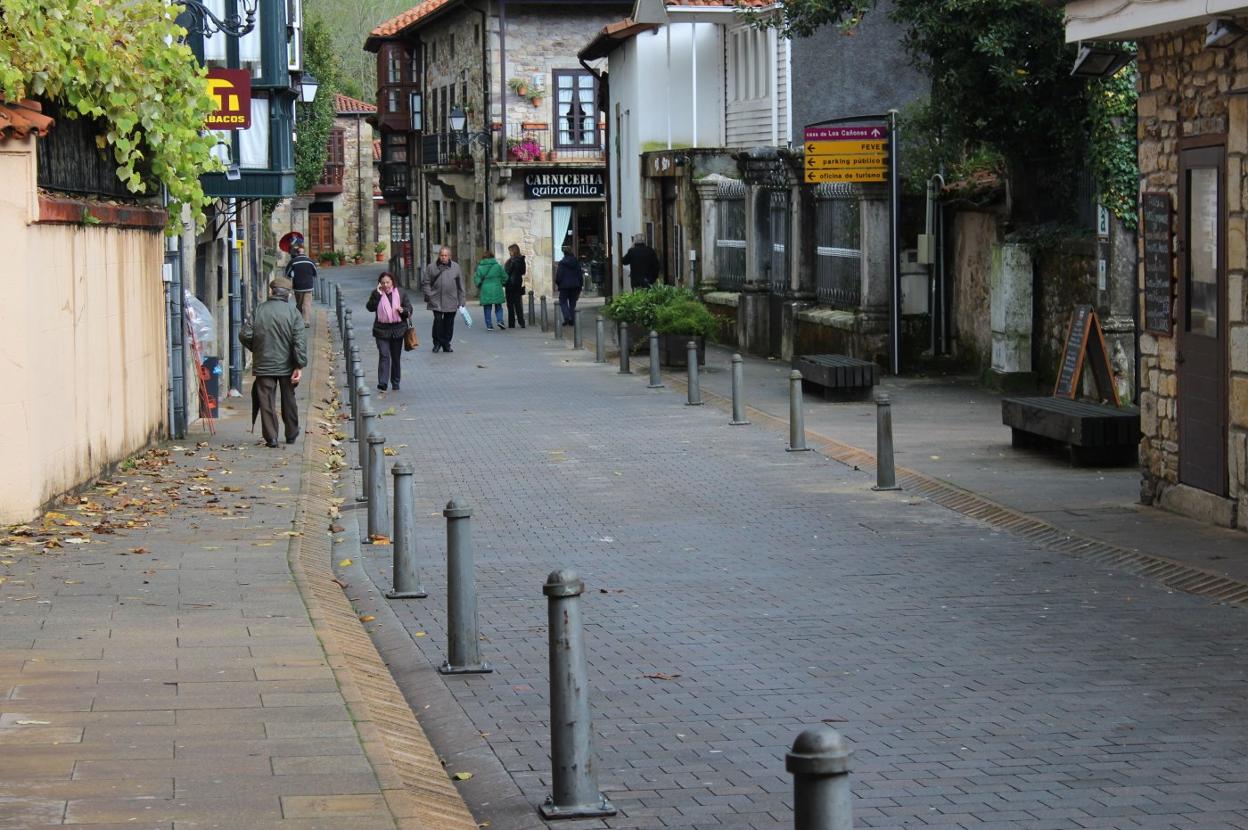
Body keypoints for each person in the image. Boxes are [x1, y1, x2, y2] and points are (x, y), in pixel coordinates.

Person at [240, 278, 306, 448]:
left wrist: (258, 348)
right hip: (287, 365)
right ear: (289, 295)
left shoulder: (259, 310)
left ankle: (272, 438)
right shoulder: (294, 313)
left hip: (264, 364)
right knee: (289, 398)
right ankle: (291, 433)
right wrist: (299, 365)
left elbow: (245, 334)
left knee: (266, 400)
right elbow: (299, 341)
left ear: (271, 292)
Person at [365, 271, 412, 392]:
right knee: (384, 354)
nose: (386, 285)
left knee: (395, 357)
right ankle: (383, 382)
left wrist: (403, 310)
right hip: (381, 329)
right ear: (379, 283)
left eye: (388, 282)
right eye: (383, 282)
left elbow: (409, 309)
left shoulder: (401, 293)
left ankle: (395, 382)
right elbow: (370, 307)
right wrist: (378, 295)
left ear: (392, 282)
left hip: (398, 329)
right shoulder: (377, 294)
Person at [420, 246, 465, 353]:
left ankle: (446, 344)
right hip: (436, 300)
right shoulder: (431, 267)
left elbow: (460, 285)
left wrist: (462, 300)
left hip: (451, 300)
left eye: (445, 255)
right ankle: (437, 343)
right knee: (438, 322)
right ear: (439, 255)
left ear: (449, 256)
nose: (443, 257)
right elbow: (426, 283)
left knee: (449, 324)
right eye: (441, 255)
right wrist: (429, 294)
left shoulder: (456, 267)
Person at [474, 251, 508, 331]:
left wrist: (479, 285)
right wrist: (501, 283)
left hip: (485, 288)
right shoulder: (498, 266)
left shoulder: (480, 267)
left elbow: (477, 279)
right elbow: (505, 277)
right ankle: (500, 320)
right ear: (492, 257)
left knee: (487, 307)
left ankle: (489, 325)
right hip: (497, 287)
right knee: (498, 306)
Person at [285, 244, 317, 327]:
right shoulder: (310, 261)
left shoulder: (293, 261)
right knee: (307, 304)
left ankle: (299, 320)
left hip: (298, 286)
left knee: (299, 304)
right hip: (308, 285)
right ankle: (306, 321)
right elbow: (315, 273)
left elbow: (287, 274)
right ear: (304, 252)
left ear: (296, 253)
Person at [554, 244, 583, 326]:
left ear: (564, 253)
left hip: (564, 286)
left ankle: (567, 317)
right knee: (572, 303)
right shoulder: (576, 262)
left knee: (563, 301)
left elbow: (559, 276)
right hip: (575, 285)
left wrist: (558, 283)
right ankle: (572, 319)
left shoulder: (562, 263)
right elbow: (579, 275)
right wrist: (580, 285)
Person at [503, 243, 527, 329]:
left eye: (510, 251)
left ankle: (511, 323)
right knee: (517, 304)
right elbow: (523, 272)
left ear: (513, 251)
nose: (509, 253)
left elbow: (507, 273)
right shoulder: (521, 260)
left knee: (510, 305)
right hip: (518, 283)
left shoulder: (511, 261)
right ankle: (521, 322)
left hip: (510, 284)